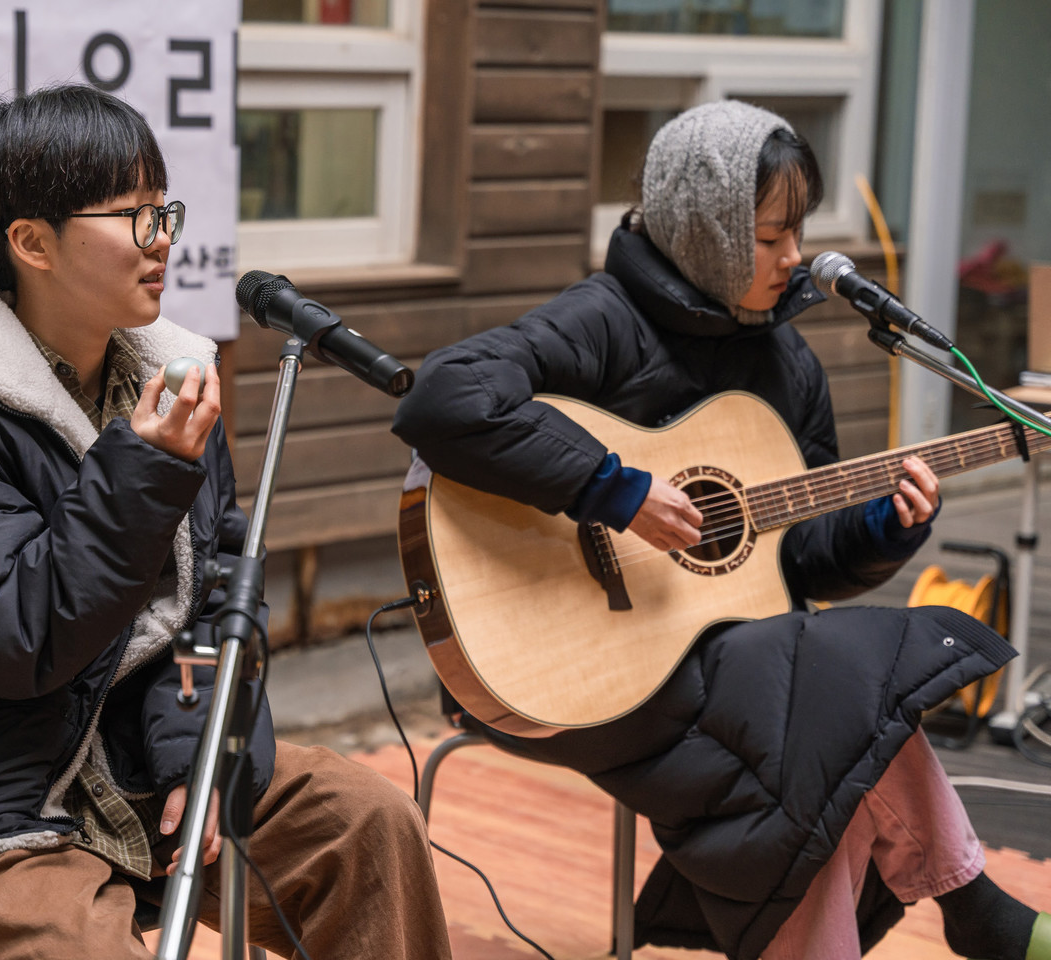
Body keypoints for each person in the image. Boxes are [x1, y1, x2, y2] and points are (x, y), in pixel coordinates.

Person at [393, 100, 1049, 960]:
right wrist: (615, 490)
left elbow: (798, 564)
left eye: (798, 232)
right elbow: (443, 400)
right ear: (706, 232)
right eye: (770, 236)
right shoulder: (604, 319)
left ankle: (974, 911)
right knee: (831, 705)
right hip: (568, 670)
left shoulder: (789, 365)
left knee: (821, 722)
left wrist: (884, 529)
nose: (794, 257)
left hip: (719, 666)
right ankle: (975, 906)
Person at [0, 83, 452, 960]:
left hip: (133, 762)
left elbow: (217, 601)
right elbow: (16, 643)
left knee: (369, 826)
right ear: (32, 243)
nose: (162, 239)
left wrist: (198, 755)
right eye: (133, 216)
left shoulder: (167, 381)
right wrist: (143, 476)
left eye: (164, 210)